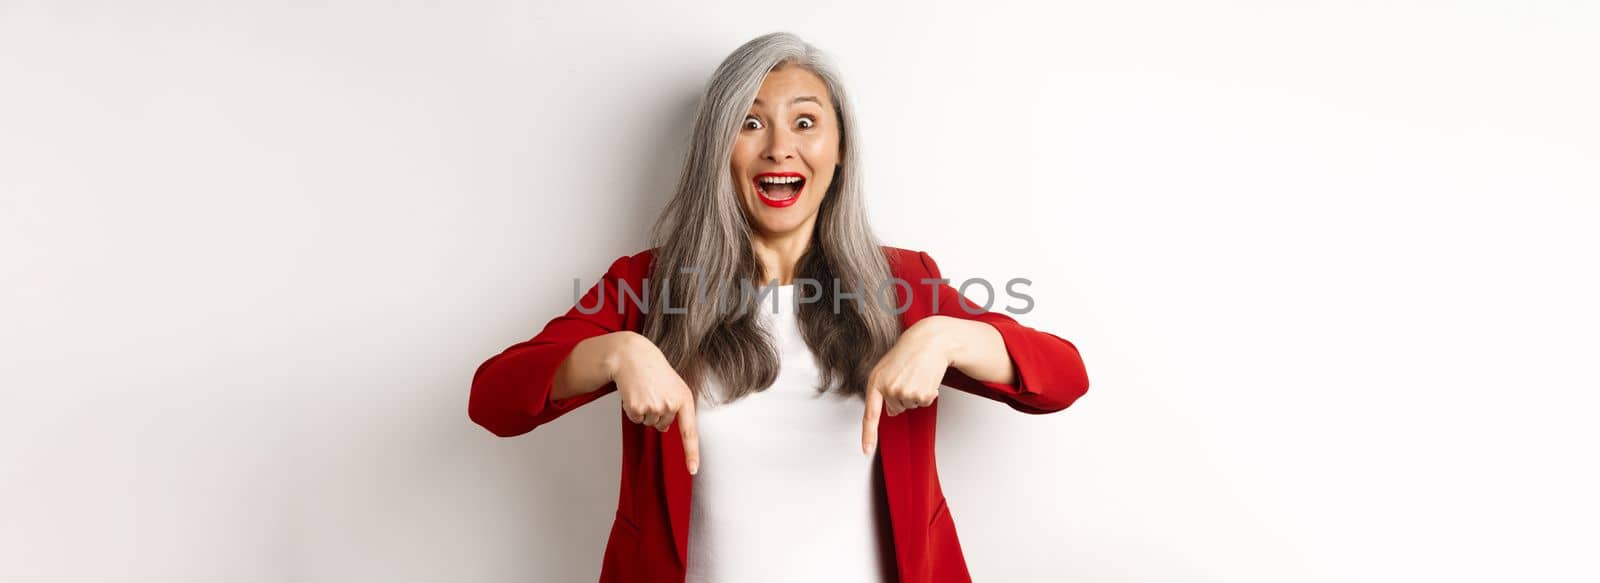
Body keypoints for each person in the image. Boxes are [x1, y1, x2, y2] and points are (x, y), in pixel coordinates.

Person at [468, 31, 1091, 583]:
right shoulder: (646, 285)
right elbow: (493, 401)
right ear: (719, 148)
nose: (778, 149)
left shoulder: (903, 283)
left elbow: (1063, 379)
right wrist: (615, 351)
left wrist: (946, 338)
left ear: (840, 148)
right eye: (750, 122)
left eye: (804, 122)